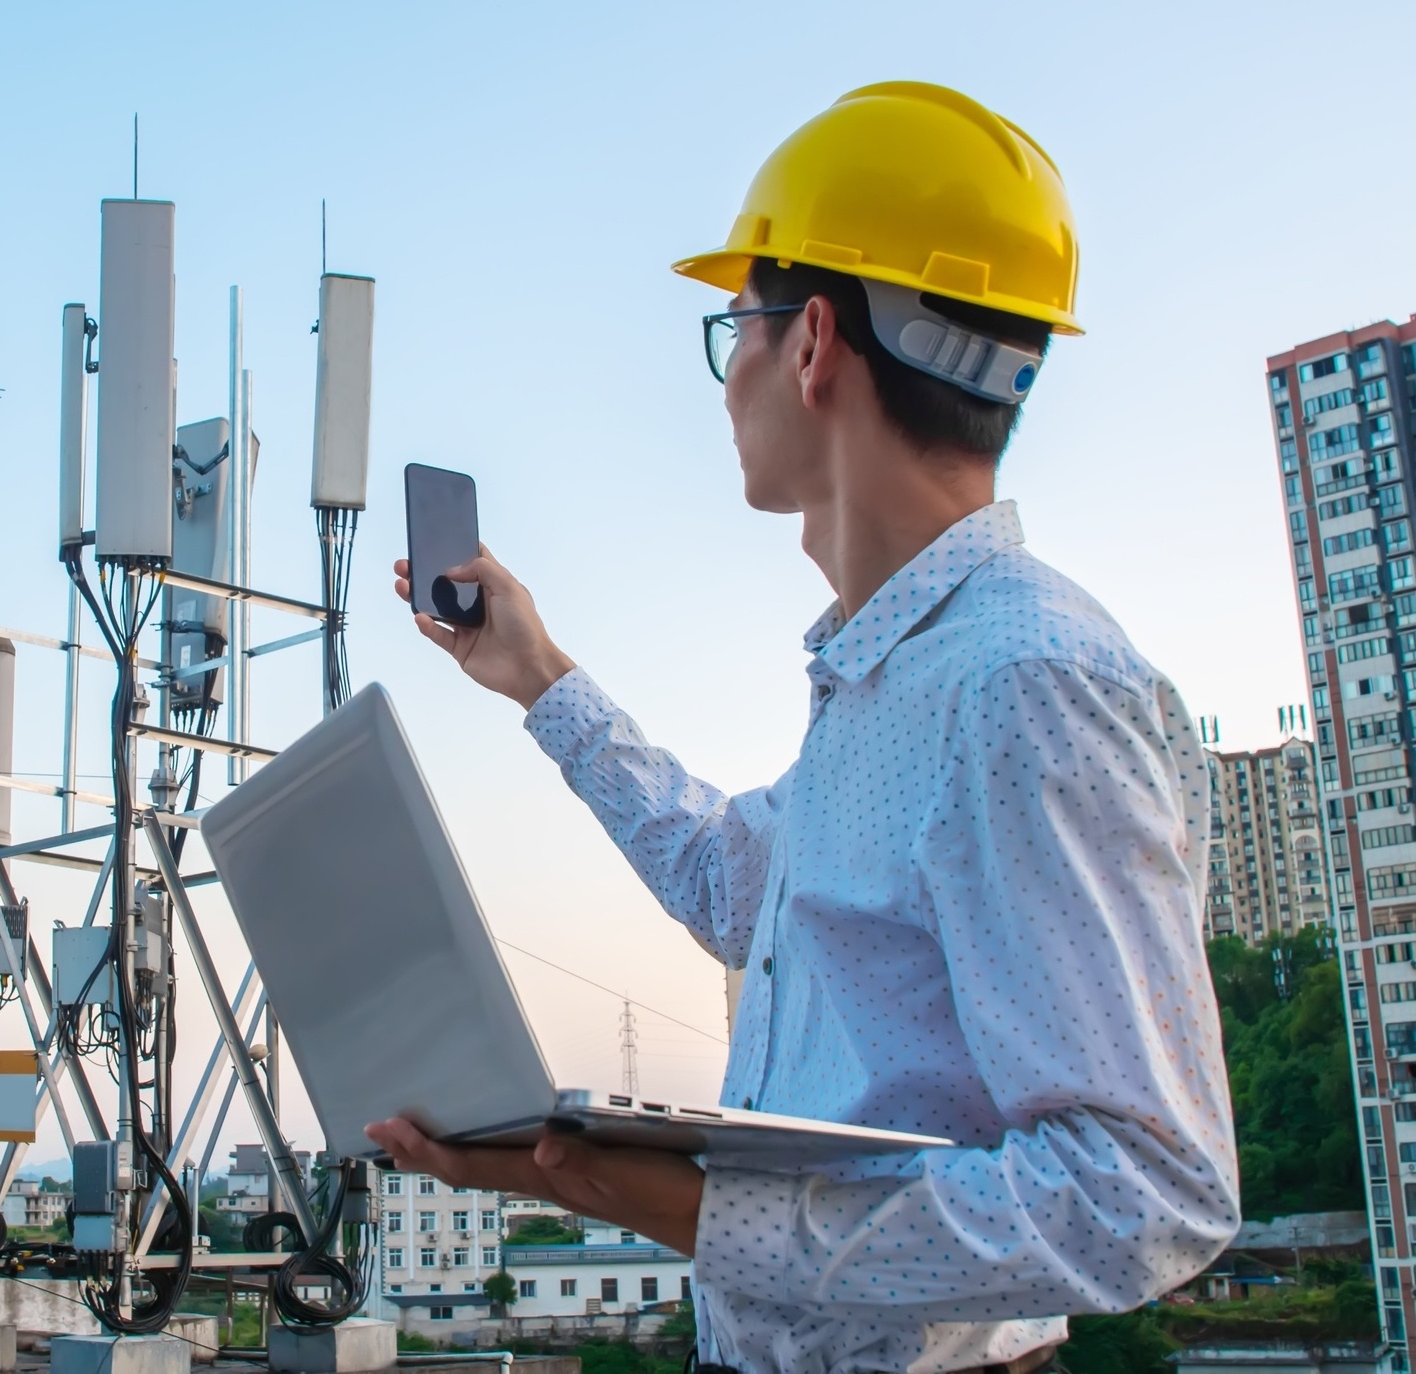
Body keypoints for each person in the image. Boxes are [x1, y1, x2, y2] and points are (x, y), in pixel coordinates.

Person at [366, 82, 1239, 1374]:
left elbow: (1146, 1189)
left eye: (738, 329)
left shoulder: (1024, 680)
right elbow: (743, 887)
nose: (731, 381)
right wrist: (539, 675)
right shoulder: (893, 676)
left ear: (816, 339)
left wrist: (683, 1206)